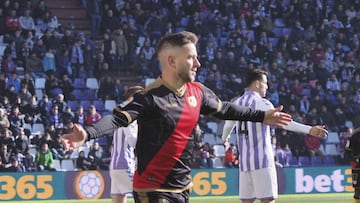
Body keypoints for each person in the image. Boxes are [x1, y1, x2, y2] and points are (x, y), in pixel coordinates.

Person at [63, 31, 292, 203]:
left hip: (182, 188)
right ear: (172, 61)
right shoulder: (149, 98)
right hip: (152, 189)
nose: (198, 63)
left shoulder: (198, 92)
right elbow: (116, 119)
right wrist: (89, 133)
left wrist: (261, 116)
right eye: (191, 58)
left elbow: (227, 110)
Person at [222, 69, 328, 203]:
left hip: (244, 164)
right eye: (265, 83)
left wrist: (224, 138)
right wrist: (309, 130)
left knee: (247, 201)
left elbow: (228, 126)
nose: (267, 87)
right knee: (268, 200)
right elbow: (284, 122)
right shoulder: (263, 104)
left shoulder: (236, 104)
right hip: (262, 161)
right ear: (257, 84)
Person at [110, 85, 144, 203]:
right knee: (144, 195)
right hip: (125, 164)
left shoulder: (119, 114)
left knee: (119, 199)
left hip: (114, 166)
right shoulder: (131, 116)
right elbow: (133, 140)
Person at [346, 127, 360, 202]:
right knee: (357, 187)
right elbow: (348, 150)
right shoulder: (354, 135)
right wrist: (355, 159)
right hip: (357, 164)